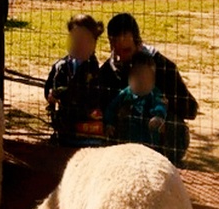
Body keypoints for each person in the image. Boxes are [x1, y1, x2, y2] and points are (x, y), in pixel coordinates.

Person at [98, 13, 198, 163]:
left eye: (127, 51)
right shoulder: (107, 71)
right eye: (116, 51)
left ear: (139, 45)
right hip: (123, 142)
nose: (120, 58)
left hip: (157, 141)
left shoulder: (163, 67)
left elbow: (191, 109)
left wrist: (159, 102)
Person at [44, 14, 104, 145]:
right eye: (75, 39)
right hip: (64, 125)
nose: (79, 44)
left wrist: (65, 93)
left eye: (85, 40)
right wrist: (50, 94)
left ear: (94, 44)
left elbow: (92, 96)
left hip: (86, 129)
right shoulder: (61, 65)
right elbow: (49, 84)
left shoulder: (93, 70)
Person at [104, 51, 167, 149]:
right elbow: (112, 107)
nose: (143, 81)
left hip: (148, 142)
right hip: (125, 140)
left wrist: (158, 117)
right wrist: (109, 123)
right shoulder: (126, 93)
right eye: (139, 77)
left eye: (147, 78)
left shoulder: (154, 93)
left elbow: (160, 105)